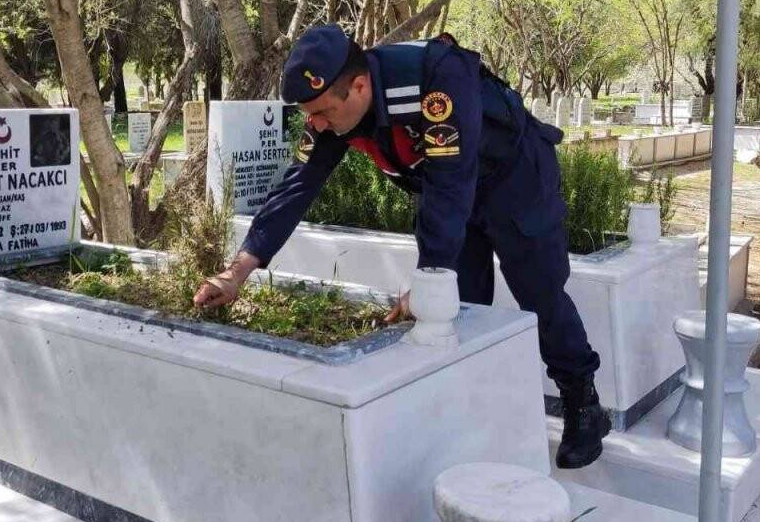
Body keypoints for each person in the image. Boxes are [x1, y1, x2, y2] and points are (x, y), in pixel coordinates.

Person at [191, 24, 611, 469]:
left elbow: (451, 181)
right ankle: (467, 414)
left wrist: (428, 275)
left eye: (320, 112)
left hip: (516, 181)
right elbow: (297, 186)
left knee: (539, 293)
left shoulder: (434, 78)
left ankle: (582, 402)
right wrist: (236, 271)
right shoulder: (334, 108)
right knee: (455, 307)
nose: (313, 123)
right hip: (450, 198)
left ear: (358, 86)